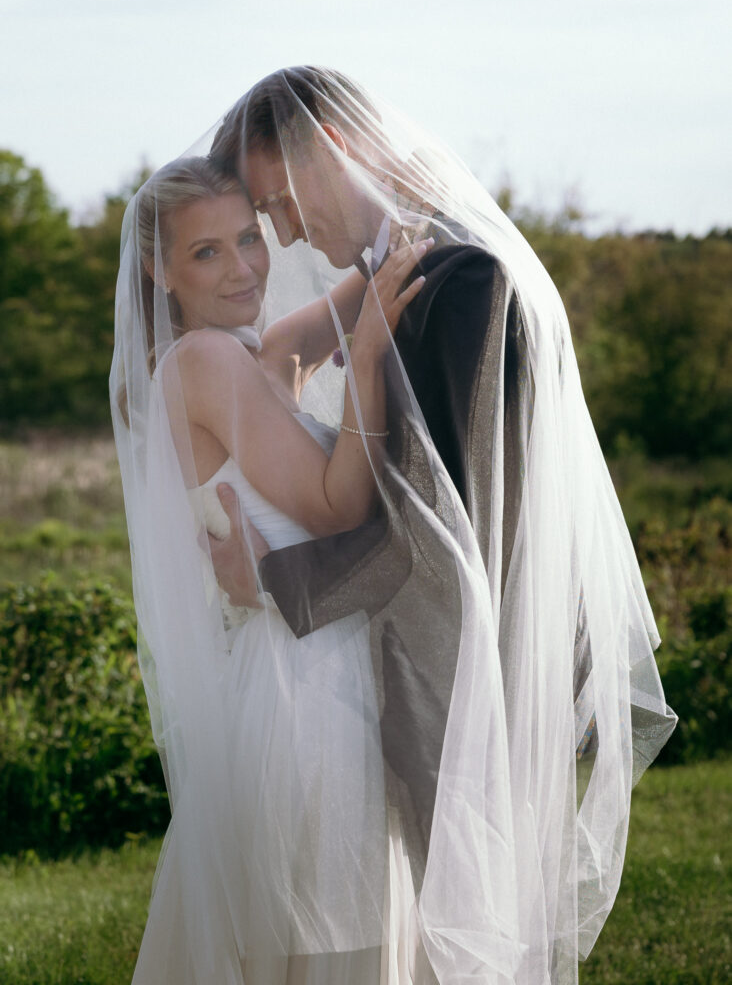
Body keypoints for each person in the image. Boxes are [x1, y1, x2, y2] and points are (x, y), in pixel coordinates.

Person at [201, 67, 678, 984]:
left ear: (333, 150)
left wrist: (267, 578)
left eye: (280, 204)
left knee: (465, 951)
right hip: (462, 677)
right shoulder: (418, 268)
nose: (284, 233)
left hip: (463, 686)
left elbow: (439, 538)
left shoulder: (459, 284)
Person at [111, 154, 519, 984]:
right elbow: (335, 507)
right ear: (159, 269)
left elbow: (368, 280)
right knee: (338, 946)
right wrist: (365, 361)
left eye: (250, 237)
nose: (245, 267)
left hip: (300, 668)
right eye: (207, 253)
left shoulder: (240, 352)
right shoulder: (206, 364)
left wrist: (392, 211)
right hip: (308, 698)